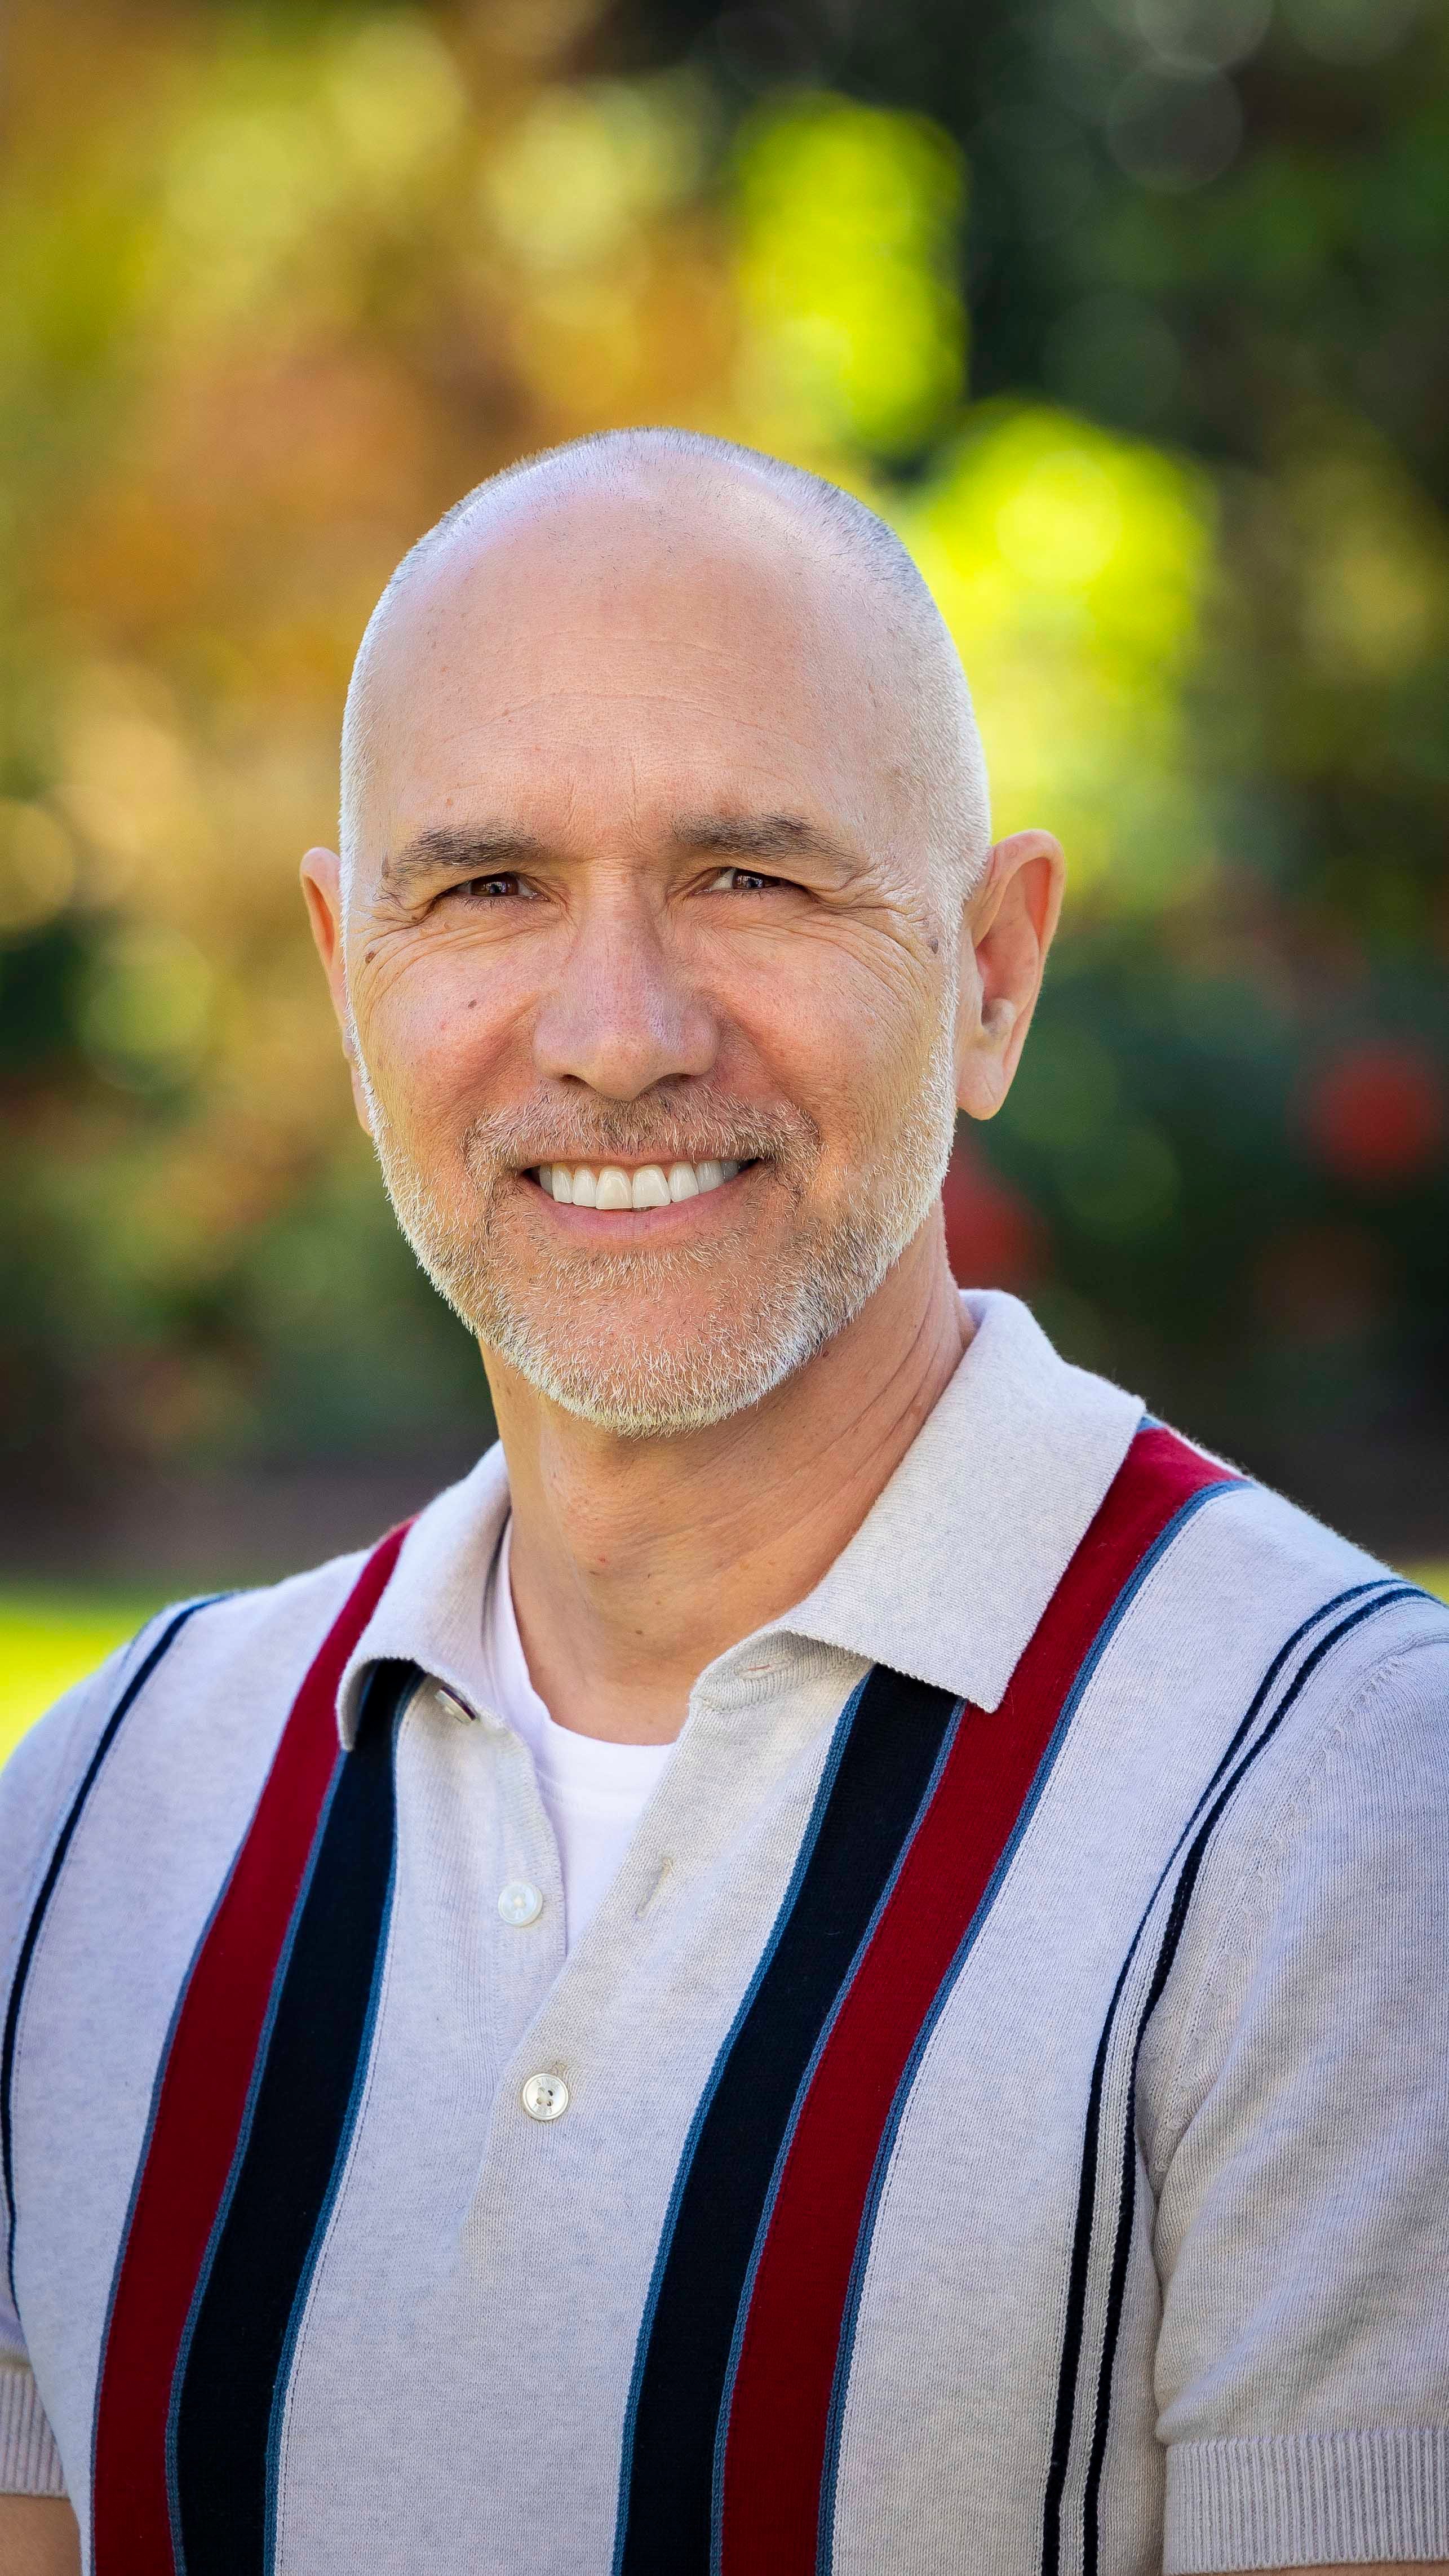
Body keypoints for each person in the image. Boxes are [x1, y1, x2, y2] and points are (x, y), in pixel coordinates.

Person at [1, 430, 1445, 2576]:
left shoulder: (1343, 1805)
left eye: (749, 876)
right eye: (486, 886)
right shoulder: (97, 1821)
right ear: (343, 974)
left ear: (988, 971)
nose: (614, 1031)